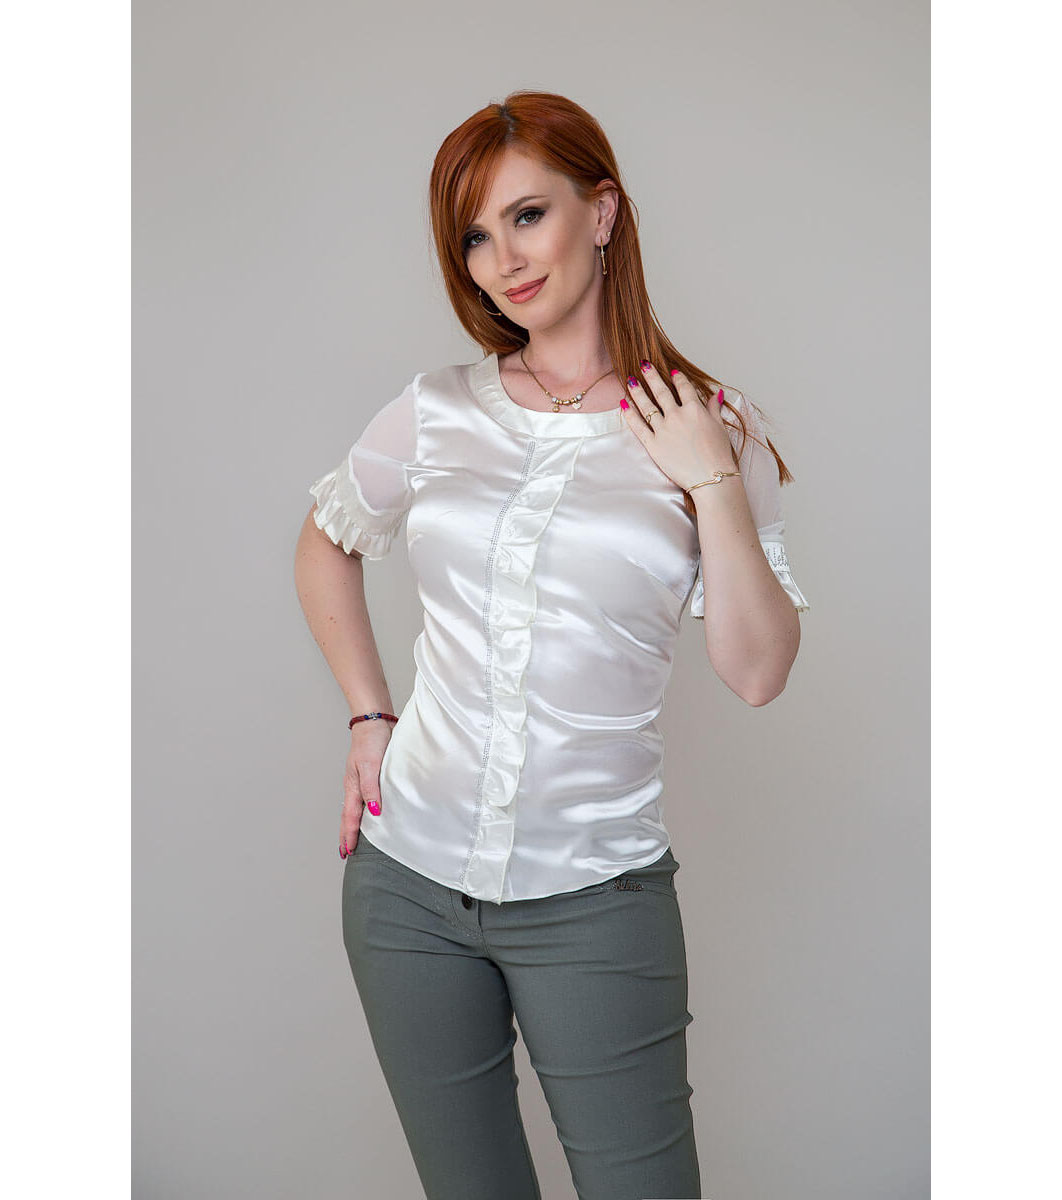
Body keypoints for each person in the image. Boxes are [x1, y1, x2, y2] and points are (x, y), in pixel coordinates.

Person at [294, 90, 809, 1200]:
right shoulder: (436, 409)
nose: (504, 260)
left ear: (603, 210)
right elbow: (326, 543)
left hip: (595, 898)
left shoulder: (712, 422)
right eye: (476, 237)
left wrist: (712, 479)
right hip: (404, 887)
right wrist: (369, 714)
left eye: (527, 215)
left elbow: (759, 671)